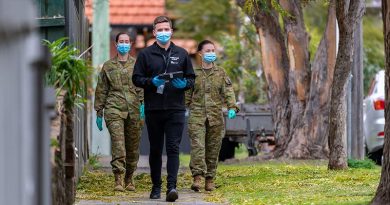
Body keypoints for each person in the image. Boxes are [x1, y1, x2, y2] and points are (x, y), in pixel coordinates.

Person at [132, 16, 195, 202]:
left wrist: (184, 84)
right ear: (154, 32)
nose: (163, 32)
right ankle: (156, 187)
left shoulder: (182, 54)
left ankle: (172, 187)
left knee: (173, 148)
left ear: (171, 31)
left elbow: (192, 79)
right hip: (154, 109)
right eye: (159, 30)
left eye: (166, 29)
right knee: (156, 149)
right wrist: (151, 82)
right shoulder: (145, 55)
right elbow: (136, 78)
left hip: (176, 108)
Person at [186, 40, 239, 192]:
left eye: (213, 50)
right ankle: (197, 177)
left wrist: (232, 107)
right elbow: (186, 95)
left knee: (213, 149)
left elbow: (228, 91)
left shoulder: (220, 73)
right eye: (207, 51)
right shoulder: (193, 74)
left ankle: (210, 179)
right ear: (200, 54)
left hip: (215, 116)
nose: (211, 53)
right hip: (197, 116)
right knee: (198, 147)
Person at [94, 32, 144, 192]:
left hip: (134, 109)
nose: (123, 44)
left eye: (126, 41)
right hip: (113, 108)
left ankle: (129, 178)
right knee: (118, 144)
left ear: (130, 44)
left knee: (133, 147)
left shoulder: (137, 65)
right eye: (120, 41)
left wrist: (143, 104)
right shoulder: (108, 66)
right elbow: (101, 89)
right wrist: (99, 112)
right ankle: (118, 178)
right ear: (116, 45)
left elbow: (142, 85)